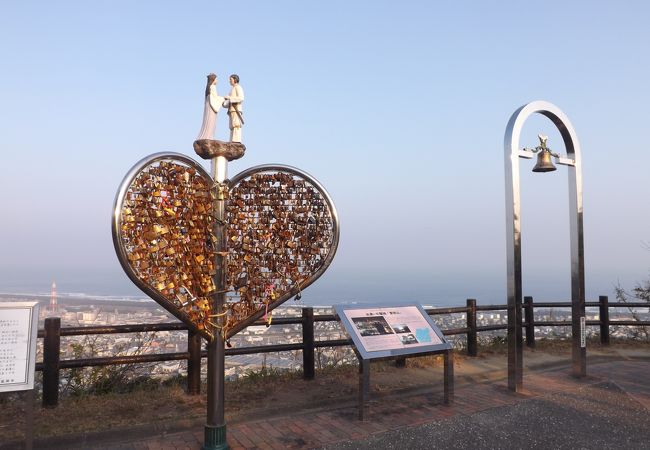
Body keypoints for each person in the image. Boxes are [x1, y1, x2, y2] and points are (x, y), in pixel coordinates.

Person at [196, 73, 224, 140]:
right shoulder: (213, 87)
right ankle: (209, 136)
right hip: (212, 106)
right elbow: (214, 97)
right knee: (211, 121)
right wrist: (222, 98)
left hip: (209, 106)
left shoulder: (208, 87)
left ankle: (207, 135)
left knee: (208, 120)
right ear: (213, 79)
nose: (217, 81)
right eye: (216, 79)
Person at [223, 74, 244, 142]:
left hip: (236, 109)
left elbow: (241, 98)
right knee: (231, 126)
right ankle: (232, 140)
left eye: (231, 79)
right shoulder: (232, 89)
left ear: (235, 80)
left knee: (236, 125)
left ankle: (236, 140)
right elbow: (229, 101)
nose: (229, 81)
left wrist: (230, 98)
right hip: (231, 110)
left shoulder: (238, 87)